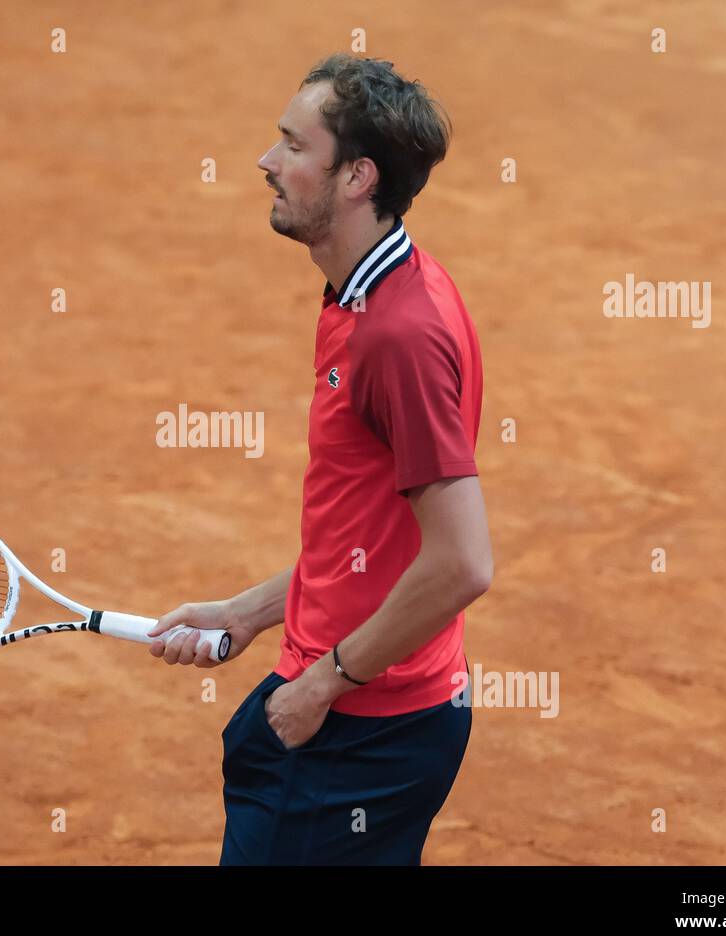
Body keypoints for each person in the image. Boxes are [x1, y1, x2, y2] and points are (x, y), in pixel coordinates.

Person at [149, 53, 492, 865]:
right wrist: (249, 611)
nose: (266, 163)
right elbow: (367, 540)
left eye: (293, 146)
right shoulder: (367, 292)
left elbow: (461, 564)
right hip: (367, 712)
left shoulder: (396, 335)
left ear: (356, 177)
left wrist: (323, 683)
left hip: (361, 735)